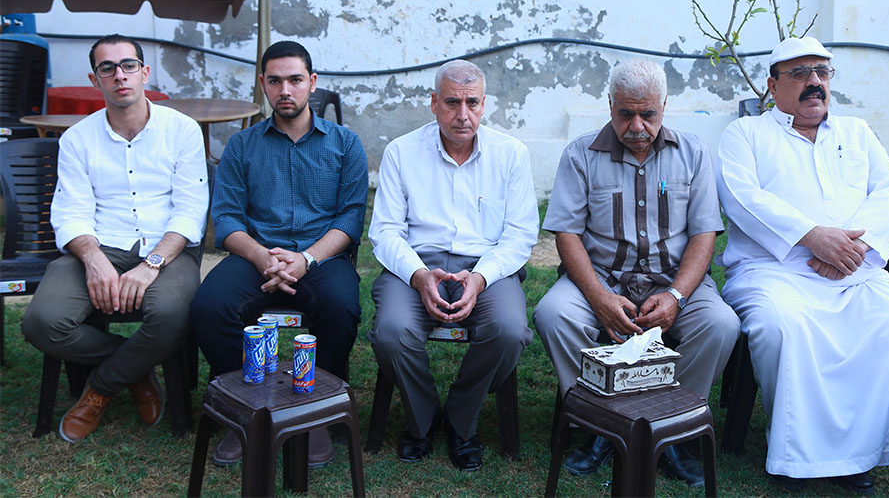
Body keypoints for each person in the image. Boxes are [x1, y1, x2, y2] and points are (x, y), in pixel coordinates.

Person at [715, 36, 889, 494]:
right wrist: (813, 237)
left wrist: (855, 249)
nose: (814, 82)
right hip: (773, 274)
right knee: (783, 328)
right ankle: (799, 454)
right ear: (772, 86)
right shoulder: (746, 134)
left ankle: (869, 447)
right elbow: (741, 197)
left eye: (822, 71)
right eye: (799, 73)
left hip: (855, 271)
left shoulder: (857, 132)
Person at [533, 58, 740, 486]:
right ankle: (600, 424)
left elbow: (704, 235)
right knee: (553, 315)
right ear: (610, 105)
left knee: (720, 325)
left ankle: (674, 428)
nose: (637, 126)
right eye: (626, 113)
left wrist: (677, 297)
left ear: (664, 105)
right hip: (602, 278)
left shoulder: (693, 152)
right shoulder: (580, 154)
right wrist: (599, 298)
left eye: (648, 114)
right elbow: (567, 235)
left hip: (674, 280)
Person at [21, 34, 208, 442]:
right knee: (41, 322)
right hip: (100, 244)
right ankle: (136, 368)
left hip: (167, 251)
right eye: (107, 68)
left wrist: (151, 265)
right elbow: (70, 211)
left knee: (170, 315)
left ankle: (100, 388)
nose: (119, 75)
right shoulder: (77, 139)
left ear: (144, 72)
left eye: (128, 66)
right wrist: (94, 260)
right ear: (95, 80)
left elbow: (190, 210)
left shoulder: (182, 130)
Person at [190, 41, 368, 467]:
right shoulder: (242, 146)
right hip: (256, 257)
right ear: (263, 84)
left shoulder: (345, 144)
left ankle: (315, 413)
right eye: (275, 81)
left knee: (341, 307)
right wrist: (260, 257)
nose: (285, 90)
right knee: (209, 307)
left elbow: (350, 218)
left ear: (312, 82)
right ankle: (245, 409)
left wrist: (306, 259)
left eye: (295, 80)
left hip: (320, 259)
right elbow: (227, 218)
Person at [367, 59, 539, 471]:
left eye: (472, 103)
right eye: (451, 103)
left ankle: (461, 420)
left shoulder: (511, 154)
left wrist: (480, 278)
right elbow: (385, 231)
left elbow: (520, 235)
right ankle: (424, 419)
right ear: (434, 103)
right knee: (391, 332)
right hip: (416, 264)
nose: (463, 115)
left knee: (509, 330)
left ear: (484, 104)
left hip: (485, 266)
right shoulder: (401, 152)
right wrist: (418, 275)